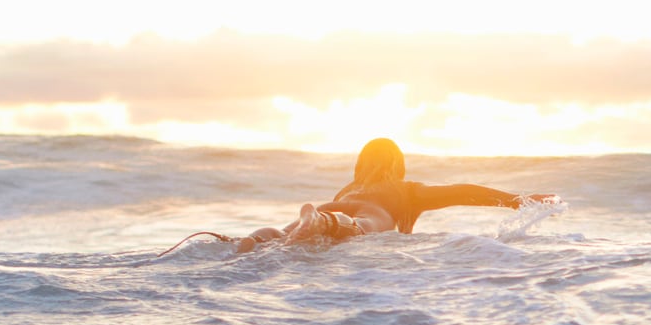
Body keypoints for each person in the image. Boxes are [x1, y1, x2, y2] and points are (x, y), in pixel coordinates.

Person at [215, 138, 553, 255]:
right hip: (362, 214)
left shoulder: (347, 189)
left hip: (330, 206)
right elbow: (461, 192)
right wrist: (516, 199)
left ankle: (252, 241)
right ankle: (322, 221)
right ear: (399, 165)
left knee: (281, 235)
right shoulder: (406, 191)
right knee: (356, 226)